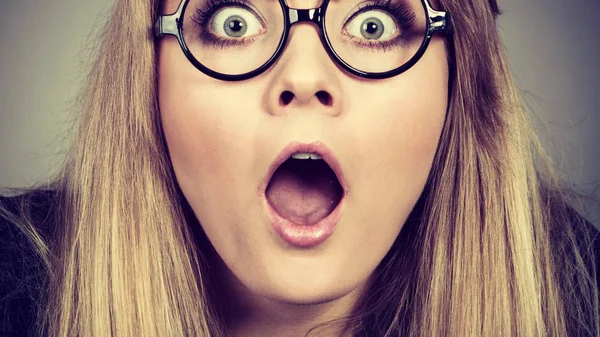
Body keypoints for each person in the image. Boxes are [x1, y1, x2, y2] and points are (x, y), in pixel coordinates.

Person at [1, 0, 598, 336]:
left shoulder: (576, 299)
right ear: (147, 73)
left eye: (375, 22)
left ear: (460, 77)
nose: (305, 77)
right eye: (232, 20)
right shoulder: (13, 284)